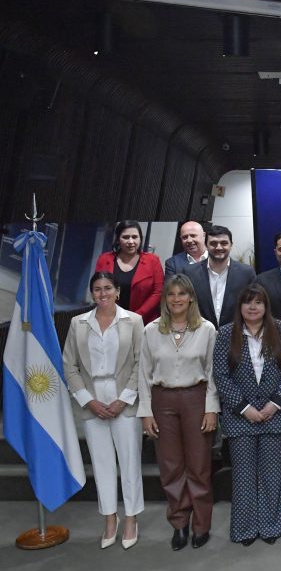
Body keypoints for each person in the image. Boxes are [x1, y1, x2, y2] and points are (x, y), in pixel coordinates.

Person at [62, 271, 146, 550]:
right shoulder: (78, 324)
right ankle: (110, 518)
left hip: (124, 399)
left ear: (117, 292)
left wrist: (124, 399)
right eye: (97, 289)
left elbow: (140, 364)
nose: (103, 293)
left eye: (108, 288)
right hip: (92, 399)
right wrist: (88, 400)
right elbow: (69, 365)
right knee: (101, 463)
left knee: (130, 460)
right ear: (91, 293)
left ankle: (131, 517)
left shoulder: (133, 321)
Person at [138, 274, 219, 550]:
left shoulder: (206, 330)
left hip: (196, 398)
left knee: (198, 466)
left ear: (191, 298)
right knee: (170, 466)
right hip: (163, 401)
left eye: (182, 294)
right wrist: (146, 412)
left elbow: (212, 373)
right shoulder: (151, 330)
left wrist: (211, 409)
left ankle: (201, 525)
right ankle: (180, 524)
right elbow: (143, 373)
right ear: (165, 299)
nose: (176, 299)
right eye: (171, 295)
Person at [212, 284, 281, 545]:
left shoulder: (280, 329)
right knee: (243, 476)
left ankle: (270, 527)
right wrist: (245, 408)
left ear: (266, 306)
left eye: (258, 302)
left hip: (275, 414)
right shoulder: (226, 333)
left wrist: (275, 404)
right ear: (240, 306)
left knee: (272, 475)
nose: (252, 307)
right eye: (247, 302)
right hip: (241, 418)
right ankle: (245, 529)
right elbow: (221, 375)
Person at [184, 225, 256, 328]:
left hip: (237, 334)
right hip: (200, 334)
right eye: (213, 243)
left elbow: (252, 306)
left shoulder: (246, 273)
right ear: (206, 245)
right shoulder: (190, 273)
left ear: (231, 245)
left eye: (224, 243)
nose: (218, 247)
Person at [95, 220, 164, 323]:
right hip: (110, 319)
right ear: (118, 239)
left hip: (143, 321)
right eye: (126, 237)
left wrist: (136, 316)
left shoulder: (153, 261)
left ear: (140, 239)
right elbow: (98, 289)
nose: (131, 241)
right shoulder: (104, 259)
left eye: (135, 237)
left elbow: (158, 292)